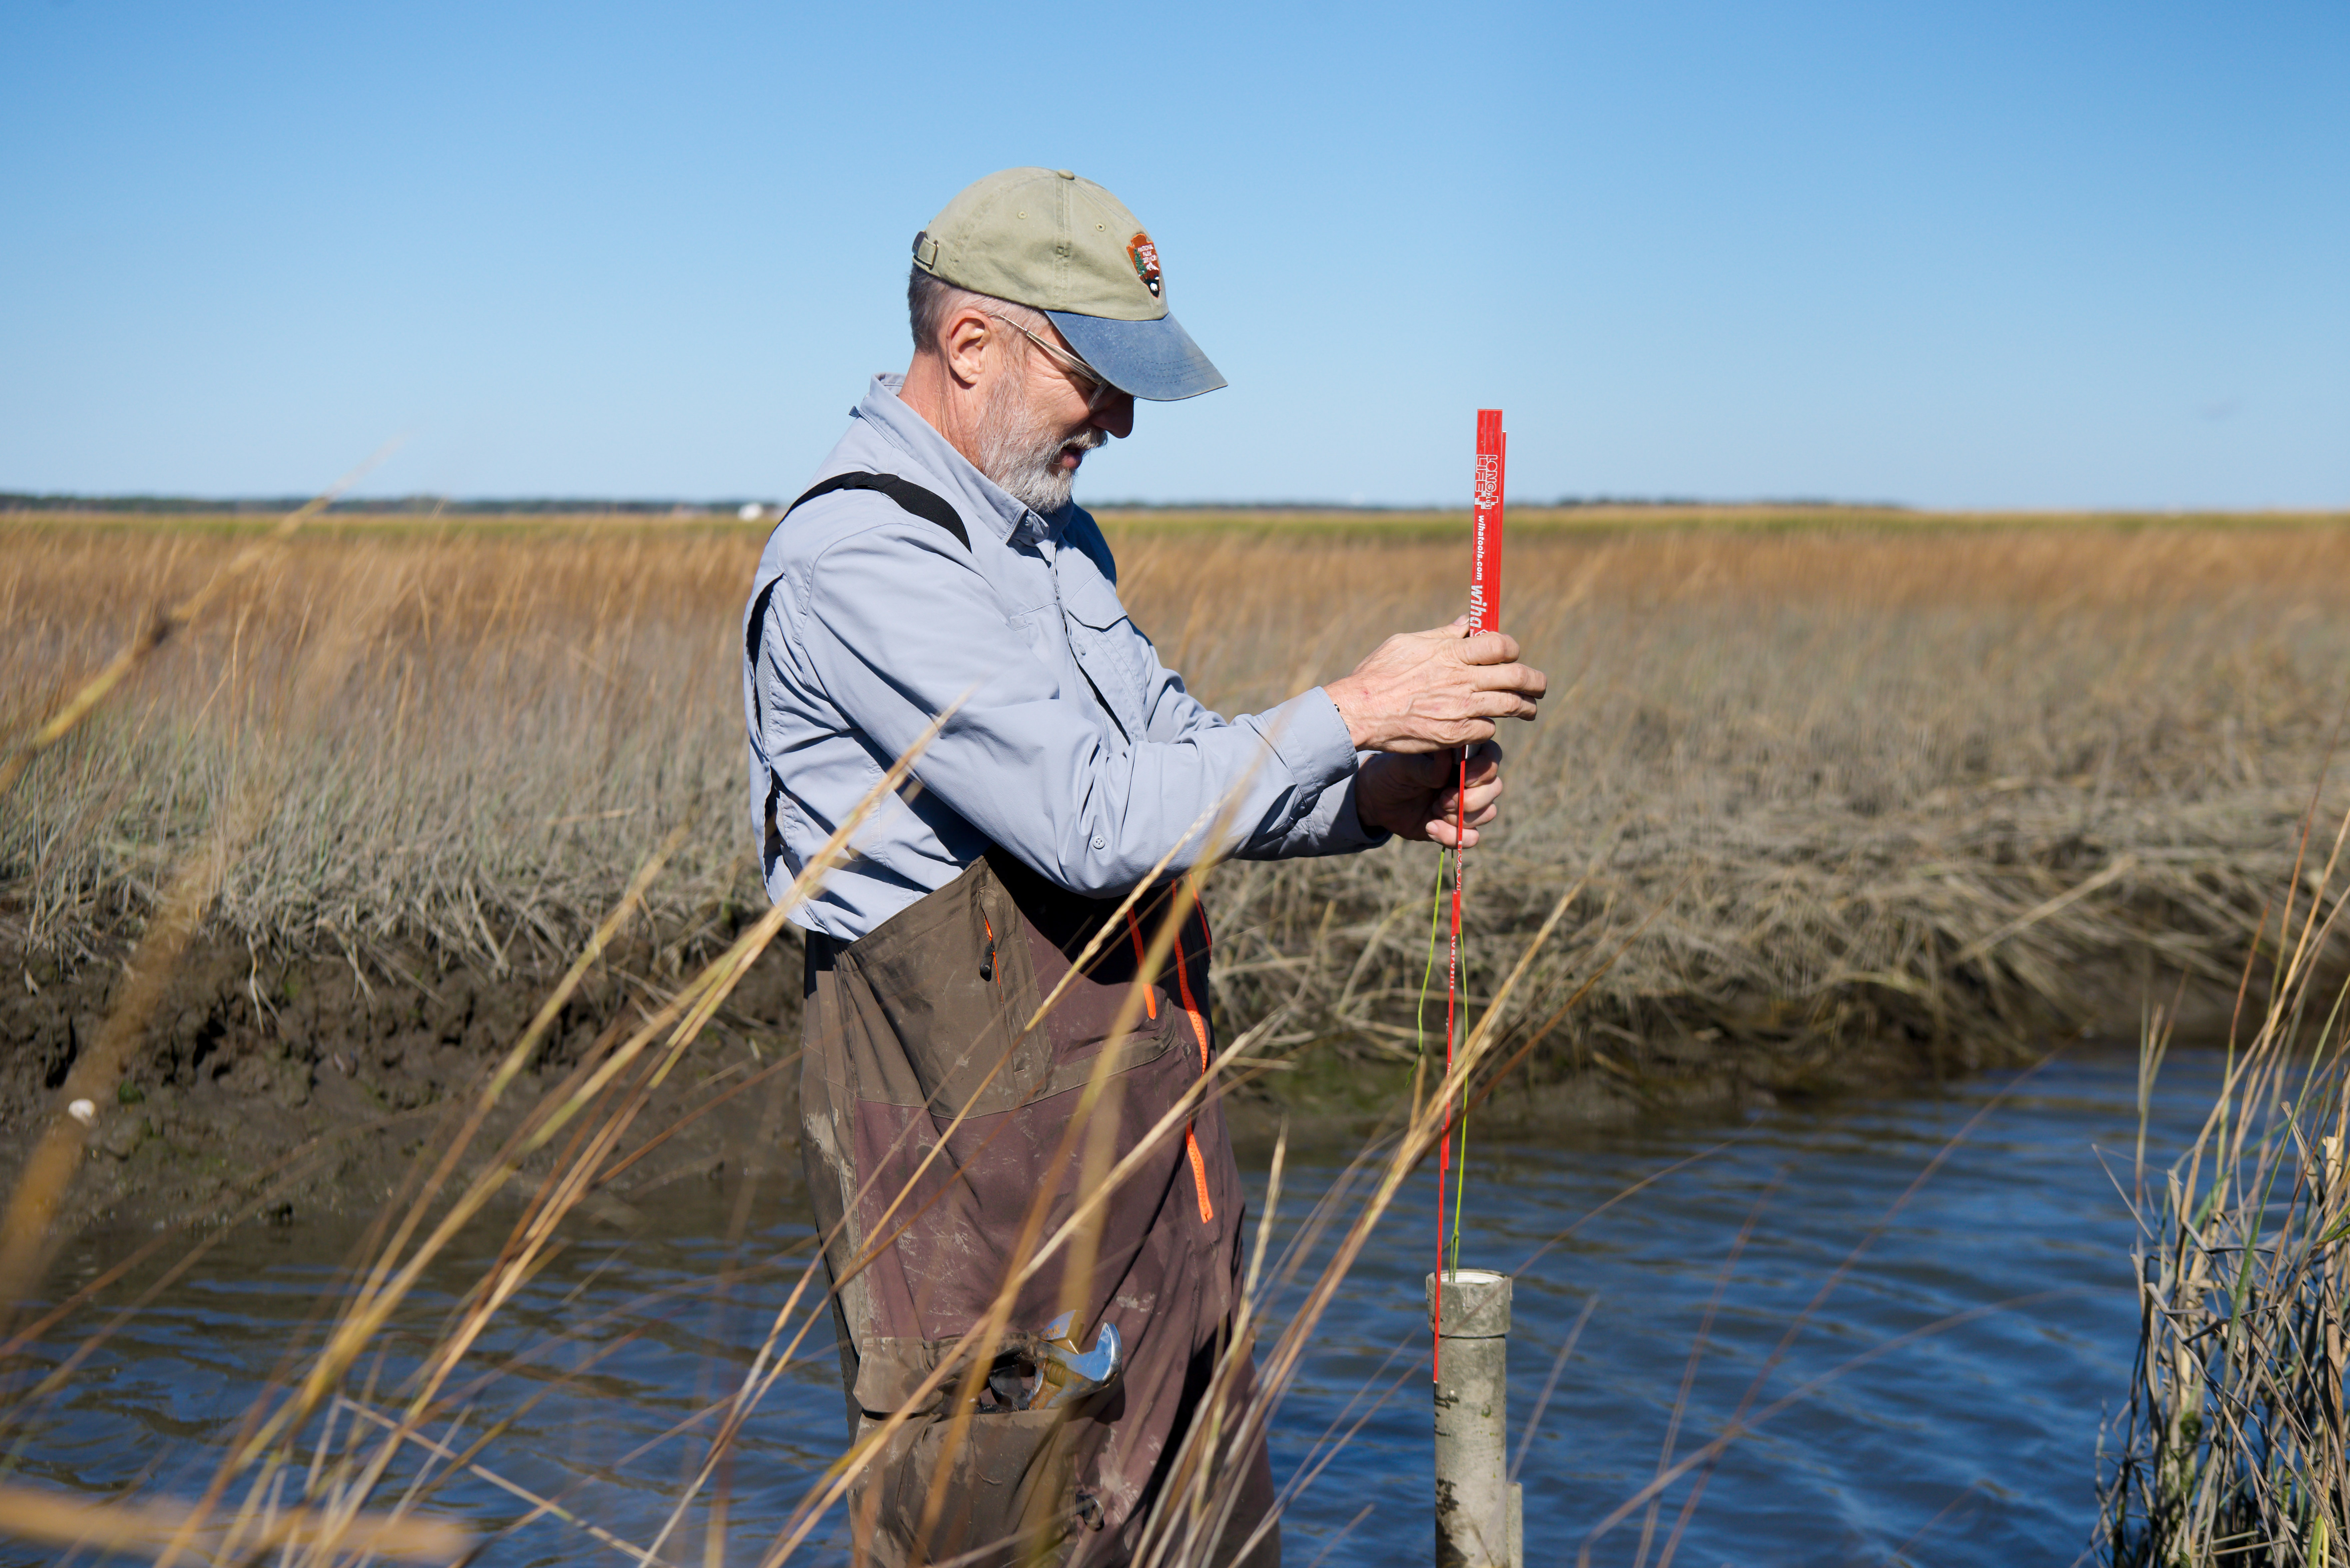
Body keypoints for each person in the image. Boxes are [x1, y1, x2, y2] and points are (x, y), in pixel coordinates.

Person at [742, 167, 1546, 1568]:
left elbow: (1179, 778)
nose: (1117, 418)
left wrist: (1373, 795)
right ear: (972, 343)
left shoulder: (1058, 542)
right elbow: (1091, 818)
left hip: (1161, 1187)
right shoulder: (856, 555)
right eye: (1095, 373)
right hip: (976, 1234)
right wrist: (1354, 706)